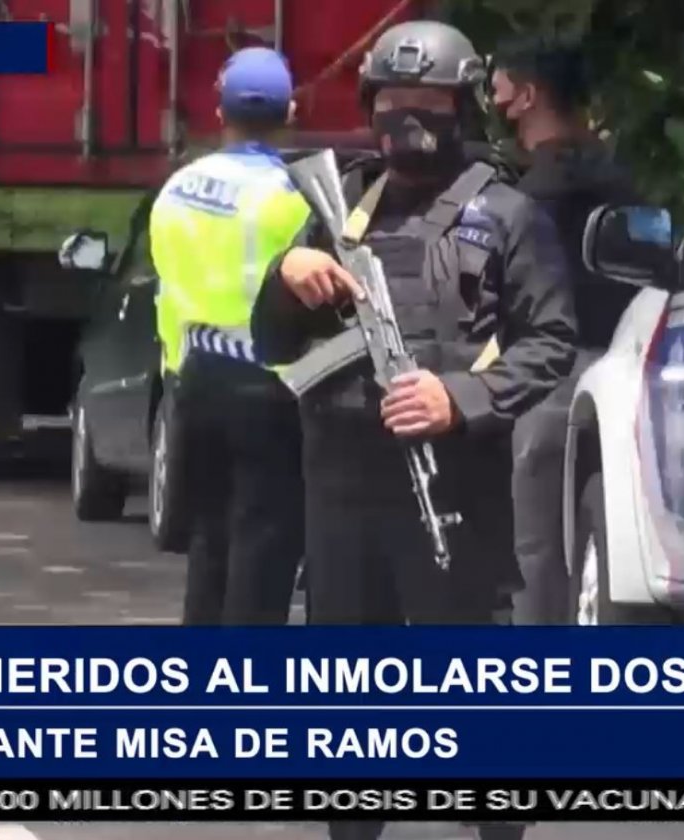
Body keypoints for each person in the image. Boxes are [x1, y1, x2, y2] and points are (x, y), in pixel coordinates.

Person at [251, 19, 576, 840]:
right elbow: (272, 343)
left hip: (455, 488)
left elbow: (550, 341)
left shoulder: (507, 214)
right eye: (392, 103)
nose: (408, 121)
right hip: (342, 488)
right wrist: (286, 277)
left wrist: (458, 397)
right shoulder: (338, 212)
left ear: (462, 109)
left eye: (427, 104)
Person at [148, 47, 308, 626]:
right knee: (263, 548)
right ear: (290, 113)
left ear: (219, 112)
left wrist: (176, 372)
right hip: (269, 385)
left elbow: (167, 287)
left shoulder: (177, 188)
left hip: (195, 379)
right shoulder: (293, 197)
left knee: (209, 542)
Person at [489, 38, 642, 624]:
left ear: (527, 97)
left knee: (535, 549)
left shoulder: (523, 200)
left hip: (545, 382)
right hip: (623, 372)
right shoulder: (624, 181)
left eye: (500, 88)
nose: (493, 101)